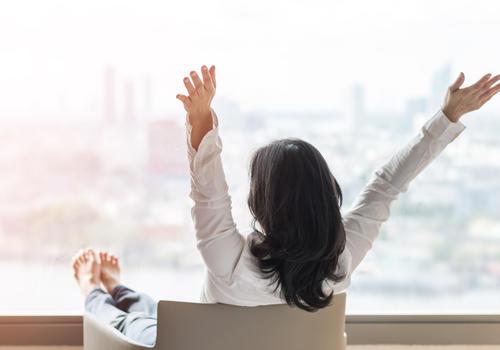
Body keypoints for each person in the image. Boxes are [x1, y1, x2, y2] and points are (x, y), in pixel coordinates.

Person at [73, 66, 500, 346]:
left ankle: (96, 285)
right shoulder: (342, 259)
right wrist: (445, 117)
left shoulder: (229, 261)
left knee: (132, 321)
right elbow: (387, 185)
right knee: (147, 306)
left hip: (186, 344)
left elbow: (209, 194)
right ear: (325, 194)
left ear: (263, 203)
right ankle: (121, 289)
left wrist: (200, 118)